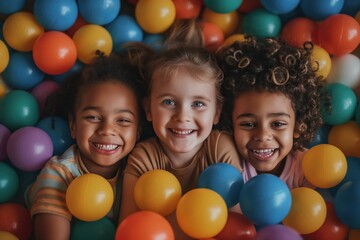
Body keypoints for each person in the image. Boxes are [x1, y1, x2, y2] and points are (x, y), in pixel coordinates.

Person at [119, 20, 242, 239]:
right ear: (148, 109)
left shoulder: (219, 146)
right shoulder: (143, 157)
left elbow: (236, 226)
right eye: (168, 102)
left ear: (216, 112)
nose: (183, 116)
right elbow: (130, 229)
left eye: (198, 104)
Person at [26, 51, 146, 240]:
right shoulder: (59, 174)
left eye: (123, 120)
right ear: (73, 125)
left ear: (138, 132)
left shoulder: (140, 170)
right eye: (93, 117)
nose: (107, 129)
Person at [217, 36, 328, 189]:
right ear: (230, 123)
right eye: (248, 124)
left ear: (298, 126)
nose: (262, 136)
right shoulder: (227, 164)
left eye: (277, 124)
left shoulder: (308, 168)